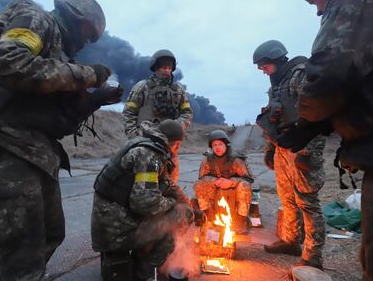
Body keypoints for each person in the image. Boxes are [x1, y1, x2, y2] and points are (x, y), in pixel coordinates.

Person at [276, 0, 373, 279]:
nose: (319, 10)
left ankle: (311, 257)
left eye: (314, 3)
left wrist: (308, 120)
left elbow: (333, 69)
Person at [0, 0, 122, 280]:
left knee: (51, 233)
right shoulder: (37, 20)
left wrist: (95, 100)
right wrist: (88, 74)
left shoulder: (60, 60)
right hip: (6, 148)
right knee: (19, 254)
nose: (87, 41)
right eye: (88, 32)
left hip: (36, 154)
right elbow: (8, 64)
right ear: (75, 15)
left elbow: (60, 123)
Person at [253, 40, 326, 268]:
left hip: (303, 145)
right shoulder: (276, 86)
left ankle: (313, 257)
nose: (264, 72)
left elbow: (315, 114)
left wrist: (307, 150)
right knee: (287, 197)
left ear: (277, 60)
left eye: (265, 67)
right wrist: (270, 148)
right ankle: (291, 241)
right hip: (283, 146)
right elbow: (273, 119)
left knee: (307, 201)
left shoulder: (299, 76)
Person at [91, 119, 193, 281]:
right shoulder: (150, 155)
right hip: (117, 232)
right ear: (176, 144)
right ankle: (145, 270)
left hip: (109, 224)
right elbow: (145, 204)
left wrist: (187, 201)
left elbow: (167, 184)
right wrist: (177, 205)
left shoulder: (144, 144)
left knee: (181, 208)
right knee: (183, 215)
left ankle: (139, 257)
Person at [122, 49, 193, 183]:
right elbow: (129, 112)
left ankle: (167, 202)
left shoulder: (178, 90)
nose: (167, 71)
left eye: (169, 68)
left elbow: (187, 112)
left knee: (169, 181)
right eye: (164, 67)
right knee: (143, 180)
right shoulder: (142, 87)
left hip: (169, 144)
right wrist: (134, 136)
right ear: (156, 68)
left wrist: (176, 127)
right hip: (145, 140)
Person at [193, 130, 254, 234]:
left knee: (245, 186)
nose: (217, 147)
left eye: (220, 144)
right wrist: (214, 181)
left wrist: (231, 182)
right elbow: (202, 178)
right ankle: (209, 218)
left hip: (234, 187)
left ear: (226, 144)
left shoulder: (236, 159)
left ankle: (240, 222)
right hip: (216, 185)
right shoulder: (208, 160)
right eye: (214, 145)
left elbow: (248, 179)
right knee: (199, 185)